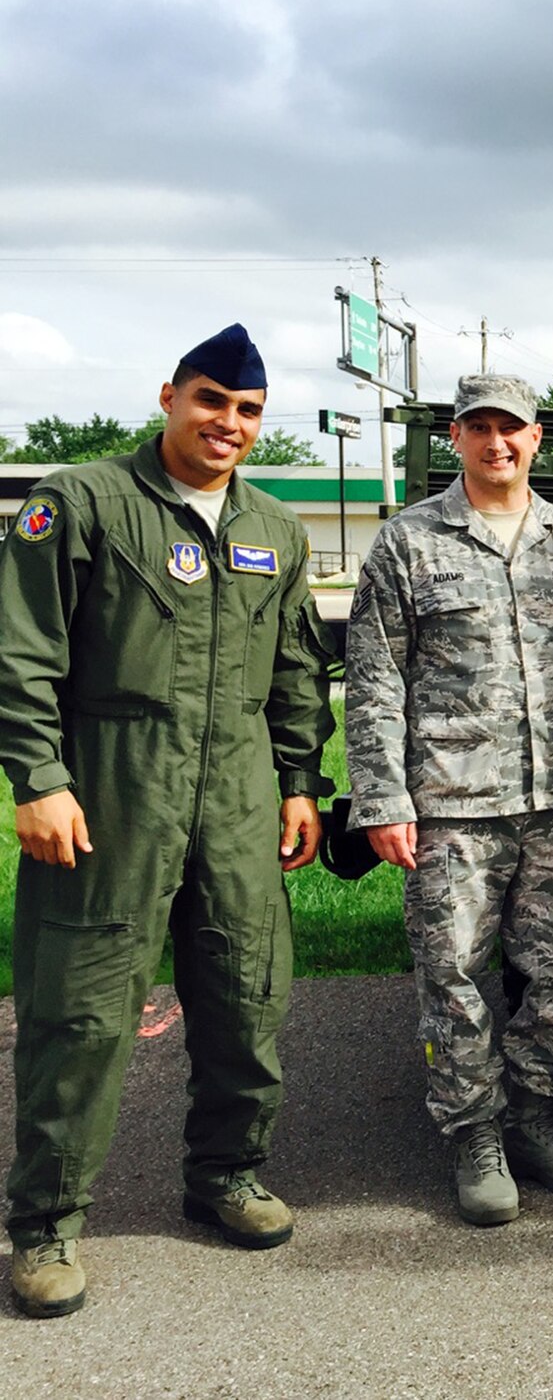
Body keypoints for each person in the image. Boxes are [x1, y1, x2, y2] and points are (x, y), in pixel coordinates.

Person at [1, 324, 334, 1318]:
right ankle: (48, 1225)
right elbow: (21, 651)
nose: (227, 425)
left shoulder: (275, 527)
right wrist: (37, 778)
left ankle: (225, 1175)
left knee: (245, 993)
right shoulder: (84, 500)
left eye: (246, 412)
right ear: (169, 397)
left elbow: (296, 670)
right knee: (83, 1011)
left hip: (235, 790)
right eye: (211, 402)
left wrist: (297, 779)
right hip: (111, 787)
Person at [345, 373, 553, 1227]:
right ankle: (475, 1135)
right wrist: (382, 797)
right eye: (481, 427)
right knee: (454, 978)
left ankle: (531, 1114)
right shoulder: (409, 542)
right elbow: (375, 675)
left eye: (514, 429)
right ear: (456, 437)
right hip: (451, 805)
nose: (498, 442)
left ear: (538, 441)